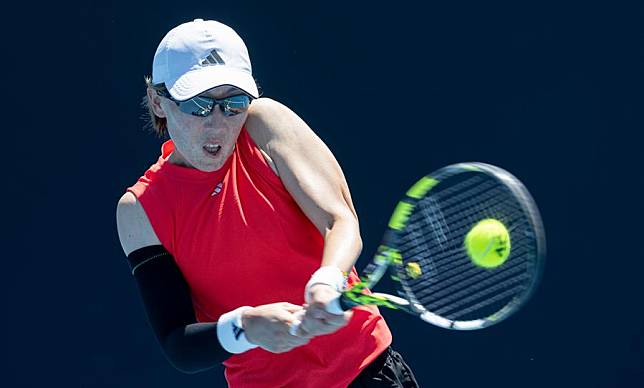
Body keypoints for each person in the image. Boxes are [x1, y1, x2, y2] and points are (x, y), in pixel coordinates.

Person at [116, 18, 418, 387]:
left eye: (234, 103)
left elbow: (339, 221)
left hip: (367, 373)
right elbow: (178, 343)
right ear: (158, 102)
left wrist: (327, 279)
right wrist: (247, 327)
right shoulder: (139, 211)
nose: (217, 124)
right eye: (198, 105)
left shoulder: (264, 124)